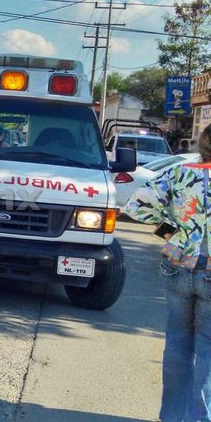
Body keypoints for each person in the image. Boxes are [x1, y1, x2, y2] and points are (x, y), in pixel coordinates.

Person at [124, 124, 211, 422]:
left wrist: (172, 233)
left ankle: (172, 416)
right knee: (208, 350)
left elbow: (135, 205)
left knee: (177, 343)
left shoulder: (179, 174)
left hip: (178, 263)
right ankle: (198, 418)